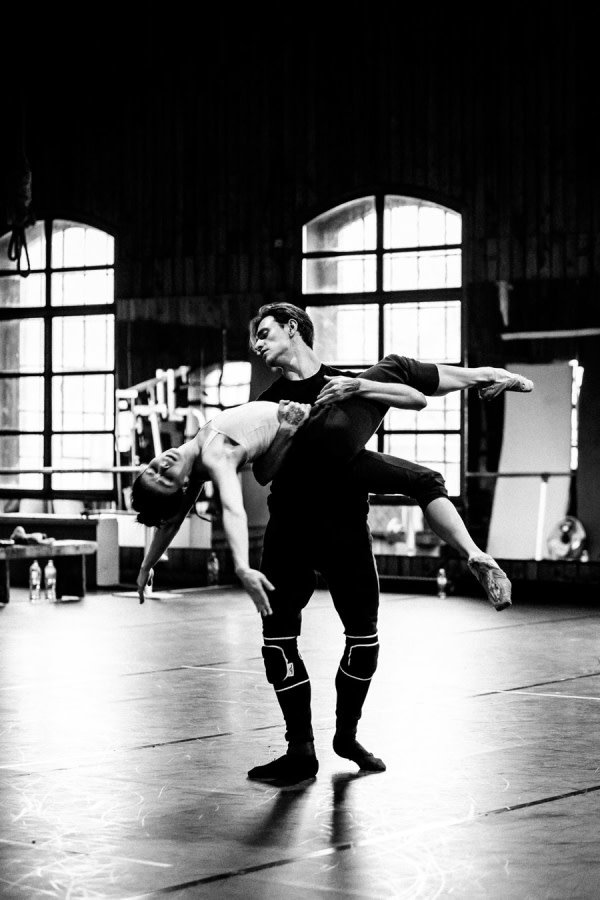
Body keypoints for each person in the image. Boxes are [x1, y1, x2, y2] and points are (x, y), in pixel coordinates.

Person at [244, 302, 533, 786]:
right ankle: (300, 750)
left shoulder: (349, 385)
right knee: (277, 643)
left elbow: (415, 398)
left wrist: (358, 385)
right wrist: (288, 432)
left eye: (265, 332)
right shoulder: (268, 402)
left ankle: (346, 735)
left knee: (364, 638)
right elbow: (263, 471)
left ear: (293, 328)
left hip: (343, 525)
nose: (257, 344)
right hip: (290, 527)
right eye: (255, 339)